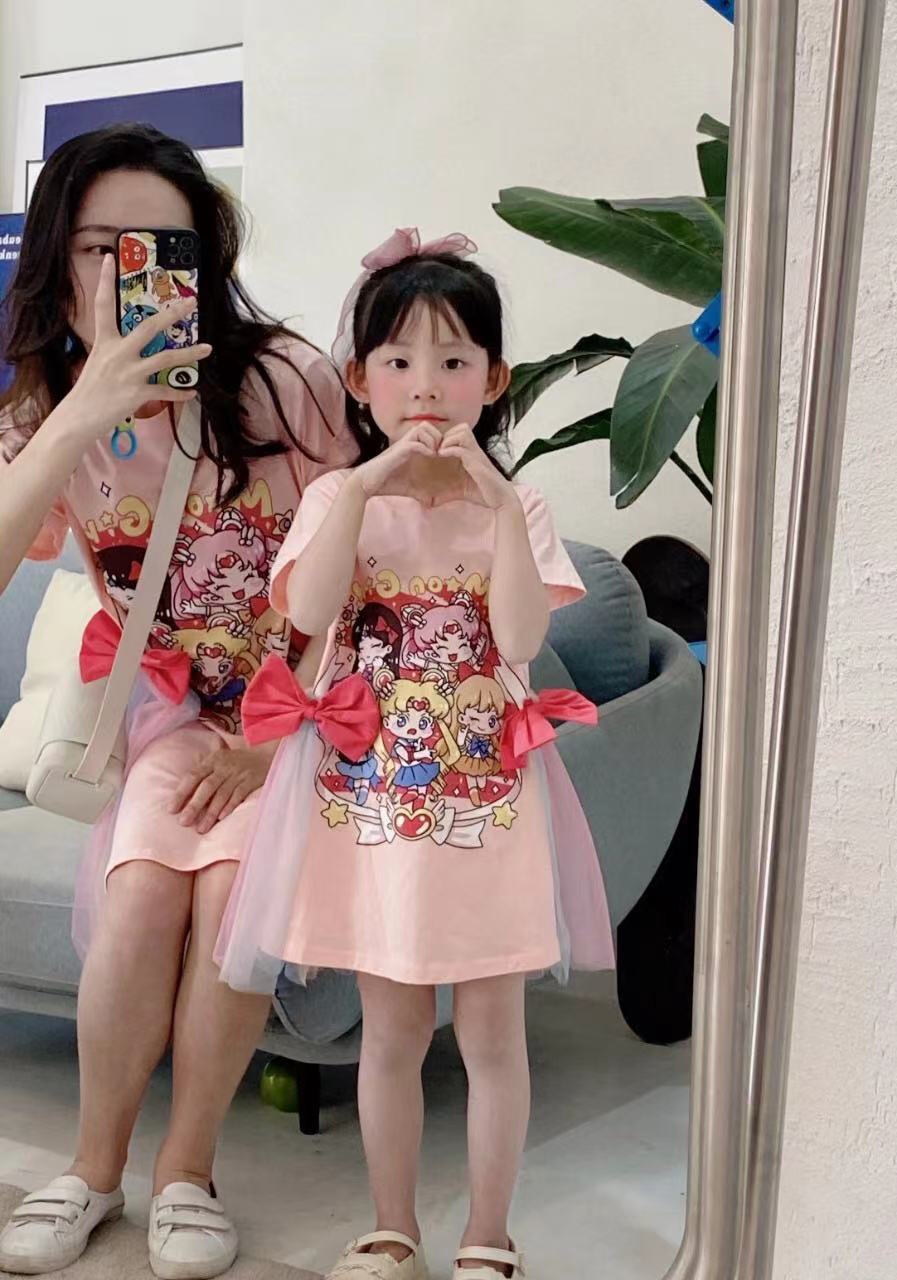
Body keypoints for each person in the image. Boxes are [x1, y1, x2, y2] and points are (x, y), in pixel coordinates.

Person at [215, 229, 616, 1280]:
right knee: (390, 1029)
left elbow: (518, 639)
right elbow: (309, 613)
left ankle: (490, 1235)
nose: (425, 385)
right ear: (360, 380)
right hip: (374, 798)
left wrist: (493, 499)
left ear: (494, 378)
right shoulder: (333, 498)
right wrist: (362, 489)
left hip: (487, 793)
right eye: (397, 360)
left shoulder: (518, 506)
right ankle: (391, 1228)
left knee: (491, 1031)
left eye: (452, 360)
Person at [0, 124, 355, 1280]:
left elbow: (358, 570)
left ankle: (188, 1171)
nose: (130, 274)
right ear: (56, 261)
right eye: (99, 246)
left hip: (299, 713)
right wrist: (79, 408)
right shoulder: (44, 411)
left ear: (206, 256)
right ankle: (91, 1170)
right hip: (169, 716)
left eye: (162, 246)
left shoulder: (284, 380)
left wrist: (275, 734)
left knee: (228, 887)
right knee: (143, 891)